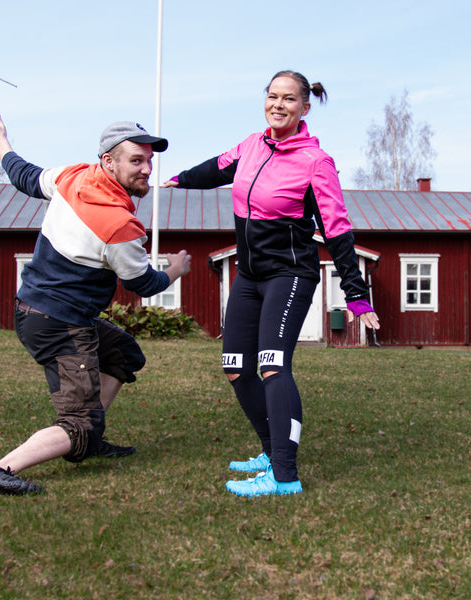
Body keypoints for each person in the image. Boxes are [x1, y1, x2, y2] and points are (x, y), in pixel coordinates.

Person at [164, 70, 380, 497]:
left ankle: (284, 475)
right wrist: (179, 179)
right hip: (250, 275)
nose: (278, 105)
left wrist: (356, 295)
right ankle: (269, 449)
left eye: (288, 99)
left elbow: (337, 230)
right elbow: (217, 168)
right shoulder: (251, 145)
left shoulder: (316, 163)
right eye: (272, 96)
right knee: (234, 367)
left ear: (304, 107)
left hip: (290, 275)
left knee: (272, 365)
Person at [0, 108, 191, 495]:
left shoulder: (73, 176)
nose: (146, 169)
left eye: (149, 161)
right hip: (59, 323)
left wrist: (0, 142)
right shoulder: (118, 224)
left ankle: (92, 436)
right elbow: (144, 284)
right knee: (78, 422)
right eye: (136, 160)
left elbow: (25, 176)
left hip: (37, 310)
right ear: (108, 161)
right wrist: (178, 269)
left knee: (123, 354)